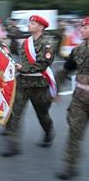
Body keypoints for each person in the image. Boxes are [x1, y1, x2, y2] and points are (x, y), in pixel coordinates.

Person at [1, 15, 56, 157]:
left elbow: (42, 65)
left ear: (40, 27)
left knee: (42, 114)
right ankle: (13, 145)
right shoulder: (26, 42)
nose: (29, 25)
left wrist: (22, 68)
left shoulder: (47, 44)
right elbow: (23, 63)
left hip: (38, 85)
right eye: (30, 23)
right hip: (23, 83)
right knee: (15, 112)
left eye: (33, 23)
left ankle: (49, 131)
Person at [55, 17, 89, 180]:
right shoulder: (79, 50)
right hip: (80, 100)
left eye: (85, 27)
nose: (82, 30)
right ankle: (70, 165)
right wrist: (55, 89)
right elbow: (65, 70)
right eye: (81, 27)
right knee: (74, 132)